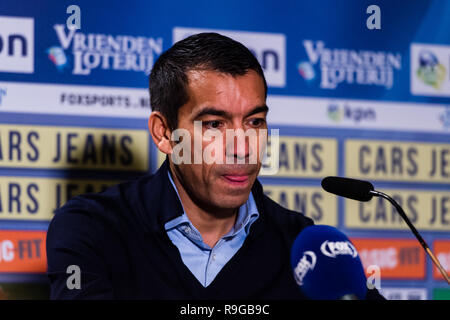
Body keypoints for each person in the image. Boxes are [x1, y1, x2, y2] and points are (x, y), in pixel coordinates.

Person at [46, 32, 383, 300]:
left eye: (254, 122)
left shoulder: (302, 247)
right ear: (164, 134)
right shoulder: (91, 229)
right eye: (214, 124)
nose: (242, 148)